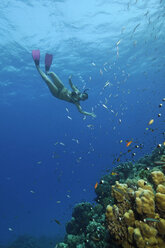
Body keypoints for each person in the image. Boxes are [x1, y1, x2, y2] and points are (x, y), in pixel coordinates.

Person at [32, 50, 96, 117]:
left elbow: (81, 111)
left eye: (83, 98)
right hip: (62, 87)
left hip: (57, 93)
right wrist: (69, 79)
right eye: (83, 95)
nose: (82, 96)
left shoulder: (76, 102)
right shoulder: (77, 91)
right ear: (82, 94)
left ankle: (37, 66)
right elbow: (72, 85)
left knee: (47, 81)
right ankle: (47, 71)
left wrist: (90, 114)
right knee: (52, 73)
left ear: (83, 100)